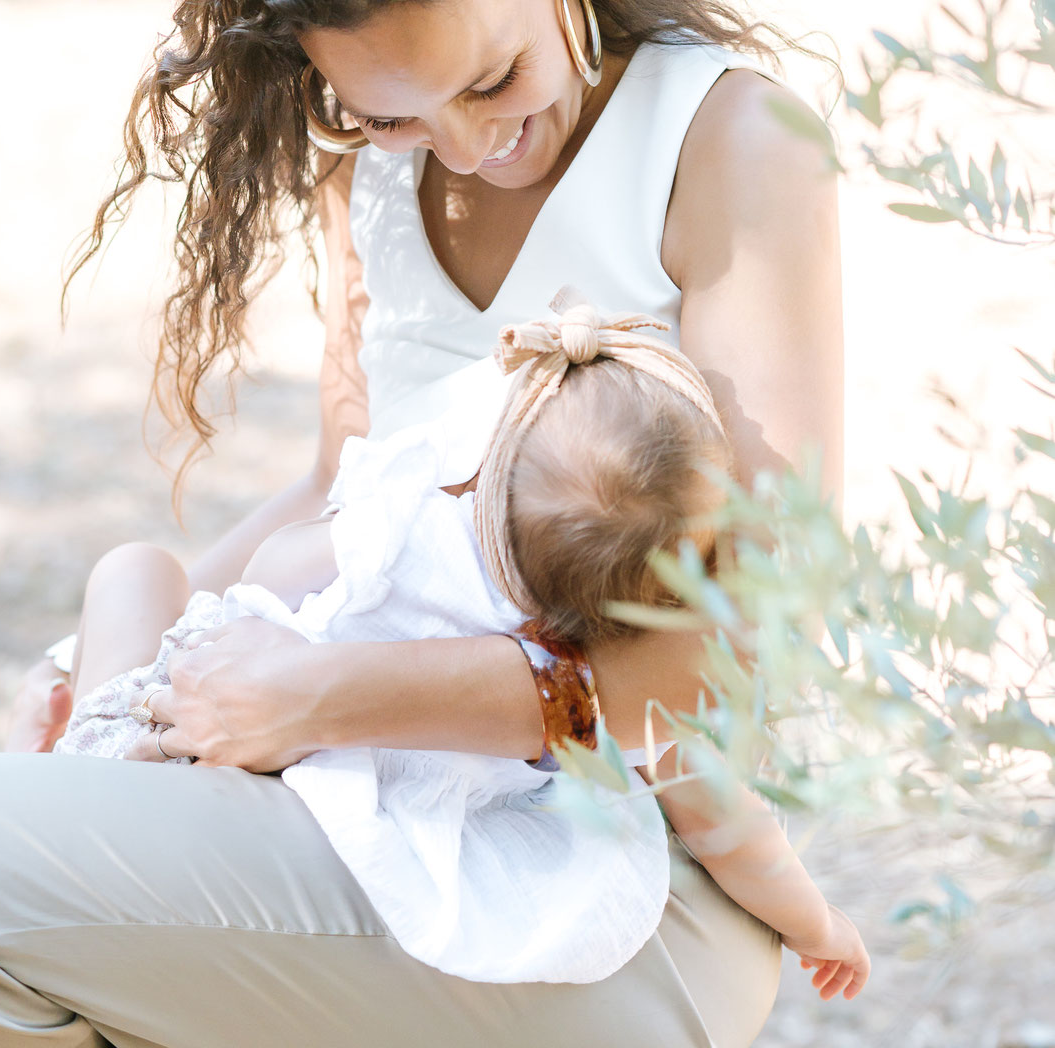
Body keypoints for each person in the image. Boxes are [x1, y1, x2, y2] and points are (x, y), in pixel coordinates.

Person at [0, 0, 843, 1048]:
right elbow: (348, 498)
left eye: (491, 76)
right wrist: (118, 677)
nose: (464, 142)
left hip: (603, 880)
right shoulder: (370, 177)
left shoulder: (727, 144)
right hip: (348, 811)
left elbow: (734, 651)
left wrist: (320, 696)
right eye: (387, 111)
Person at [54, 301, 868, 1000]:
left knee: (134, 570)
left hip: (173, 759)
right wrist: (820, 923)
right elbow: (735, 830)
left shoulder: (395, 537)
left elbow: (267, 577)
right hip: (348, 866)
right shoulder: (612, 675)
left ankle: (57, 778)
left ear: (485, 473)